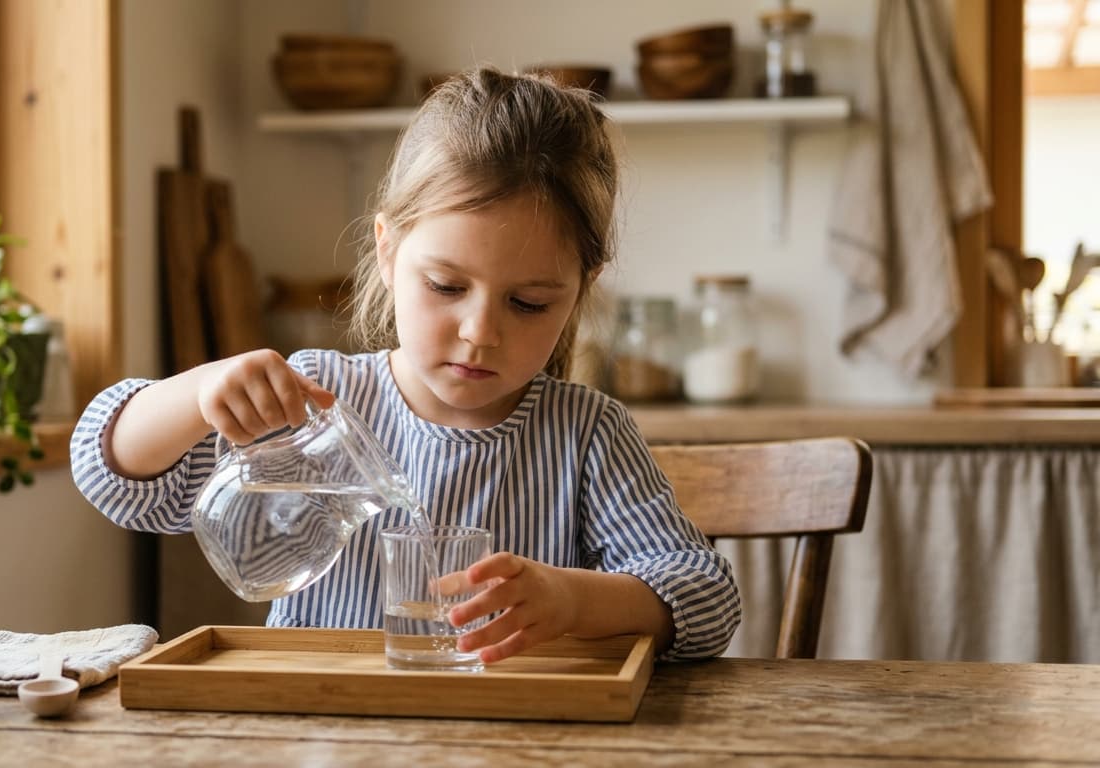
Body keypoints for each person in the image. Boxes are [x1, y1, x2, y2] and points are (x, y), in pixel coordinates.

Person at [72, 67, 740, 662]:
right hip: (319, 733)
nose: (480, 333)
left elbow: (708, 600)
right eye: (447, 287)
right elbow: (115, 482)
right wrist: (201, 391)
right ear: (388, 254)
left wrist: (573, 600)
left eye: (529, 303)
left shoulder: (585, 432)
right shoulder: (315, 398)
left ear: (581, 290)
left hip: (509, 740)